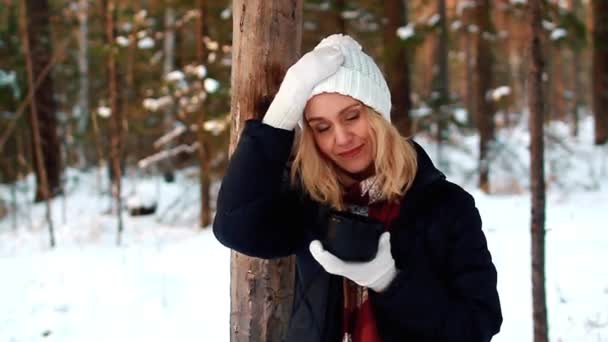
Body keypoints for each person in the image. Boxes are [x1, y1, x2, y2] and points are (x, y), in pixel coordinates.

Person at [213, 34, 502, 342]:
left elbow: (478, 324)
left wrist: (389, 281)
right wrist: (281, 114)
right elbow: (234, 227)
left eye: (352, 116)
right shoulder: (312, 202)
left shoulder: (445, 205)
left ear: (379, 115)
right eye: (322, 127)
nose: (341, 138)